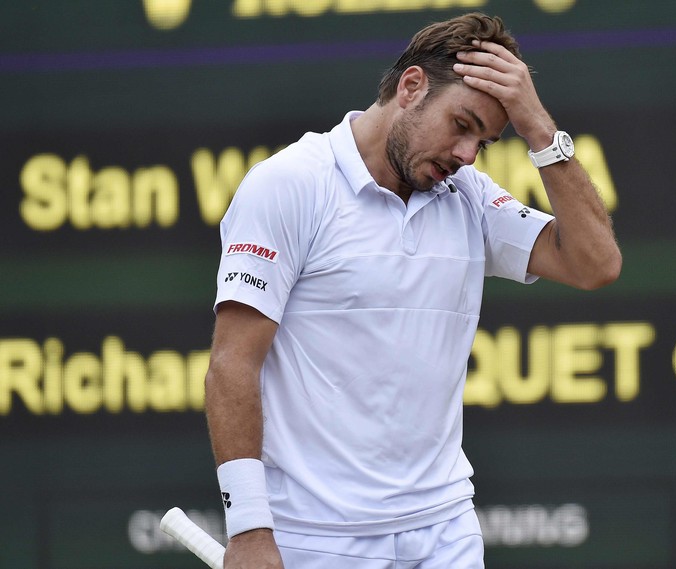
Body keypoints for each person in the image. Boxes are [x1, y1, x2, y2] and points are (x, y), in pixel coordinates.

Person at [204, 12, 621, 569]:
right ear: (411, 87)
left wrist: (540, 130)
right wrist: (250, 531)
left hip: (445, 533)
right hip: (316, 537)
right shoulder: (289, 185)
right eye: (462, 124)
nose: (469, 154)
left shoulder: (469, 195)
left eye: (487, 141)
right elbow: (231, 364)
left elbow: (596, 263)